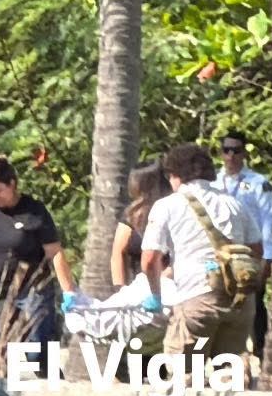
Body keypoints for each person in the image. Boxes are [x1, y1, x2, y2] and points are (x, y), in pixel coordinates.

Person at [139, 144, 262, 364]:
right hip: (240, 300)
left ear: (175, 175)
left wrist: (156, 295)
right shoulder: (234, 204)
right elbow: (257, 250)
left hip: (196, 296)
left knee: (183, 374)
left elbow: (149, 260)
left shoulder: (167, 205)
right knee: (229, 371)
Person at [0, 158, 78, 367]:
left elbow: (55, 253)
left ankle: (49, 377)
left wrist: (70, 293)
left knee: (38, 356)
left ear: (12, 184)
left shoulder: (33, 211)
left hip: (33, 290)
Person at [212, 132, 272, 358]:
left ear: (244, 153)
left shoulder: (258, 183)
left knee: (254, 302)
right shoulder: (213, 183)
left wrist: (268, 257)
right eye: (226, 150)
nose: (231, 155)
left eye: (236, 150)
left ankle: (261, 350)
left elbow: (269, 221)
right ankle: (225, 352)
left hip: (251, 252)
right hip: (221, 253)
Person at [110, 162, 172, 290]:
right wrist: (120, 289)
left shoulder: (173, 210)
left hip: (172, 284)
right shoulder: (131, 215)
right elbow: (118, 252)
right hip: (140, 288)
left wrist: (163, 279)